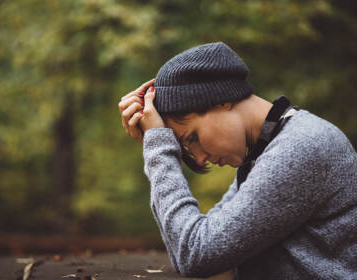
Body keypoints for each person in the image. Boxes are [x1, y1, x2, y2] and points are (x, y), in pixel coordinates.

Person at [119, 42, 357, 279]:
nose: (201, 158)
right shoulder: (270, 150)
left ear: (222, 99)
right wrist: (155, 144)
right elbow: (187, 250)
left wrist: (159, 150)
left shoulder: (300, 146)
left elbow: (195, 254)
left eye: (193, 137)